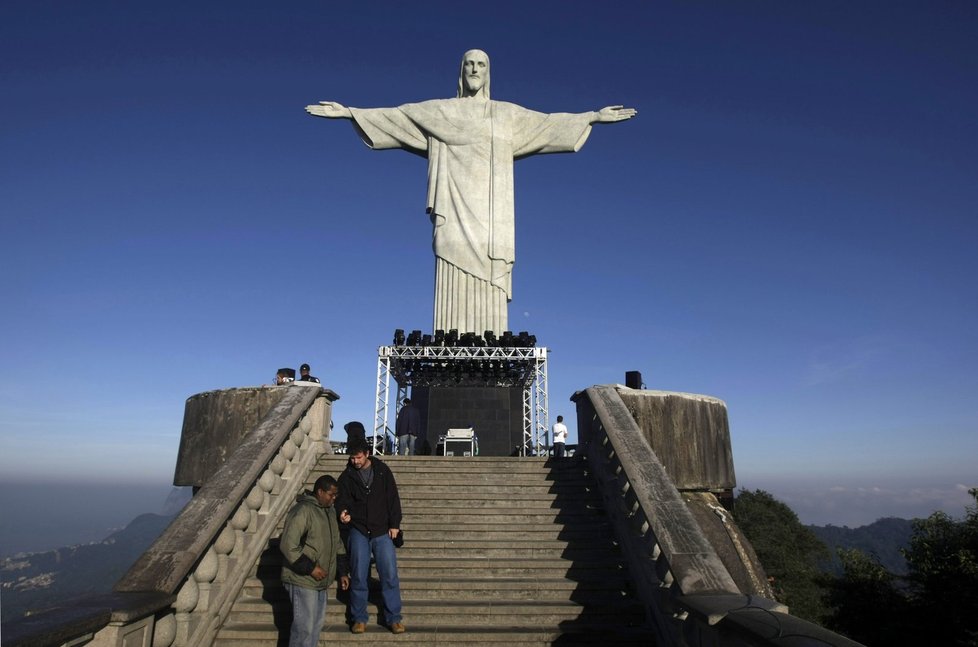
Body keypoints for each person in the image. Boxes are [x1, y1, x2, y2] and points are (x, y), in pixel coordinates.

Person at [306, 49, 636, 335]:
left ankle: (490, 338)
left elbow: (548, 124)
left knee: (491, 264)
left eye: (481, 64)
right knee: (448, 252)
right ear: (461, 71)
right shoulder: (440, 111)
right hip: (452, 207)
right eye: (469, 64)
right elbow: (399, 116)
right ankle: (450, 338)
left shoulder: (505, 114)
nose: (475, 70)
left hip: (493, 217)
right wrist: (350, 112)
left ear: (488, 72)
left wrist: (591, 117)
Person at [336, 438, 405, 634]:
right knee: (358, 574)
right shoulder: (347, 476)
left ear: (367, 454)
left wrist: (395, 524)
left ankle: (394, 617)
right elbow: (341, 500)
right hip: (358, 529)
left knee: (389, 574)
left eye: (357, 457)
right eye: (352, 458)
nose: (354, 461)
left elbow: (392, 498)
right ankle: (359, 618)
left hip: (382, 530)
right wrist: (342, 512)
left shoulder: (382, 471)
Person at [279, 474, 351, 647]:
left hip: (321, 581)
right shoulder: (303, 510)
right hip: (303, 579)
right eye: (331, 495)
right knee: (304, 630)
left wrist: (342, 572)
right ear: (320, 492)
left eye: (336, 495)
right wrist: (310, 568)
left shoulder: (330, 510)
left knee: (315, 628)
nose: (334, 499)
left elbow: (337, 542)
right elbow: (288, 545)